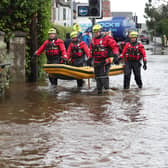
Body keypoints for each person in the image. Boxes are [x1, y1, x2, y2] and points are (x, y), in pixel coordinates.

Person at [89, 24, 119, 94]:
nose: (96, 33)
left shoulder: (107, 38)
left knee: (104, 77)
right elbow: (91, 50)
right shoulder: (93, 40)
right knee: (97, 77)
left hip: (105, 61)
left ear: (100, 31)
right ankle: (99, 92)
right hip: (96, 61)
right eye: (94, 32)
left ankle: (106, 92)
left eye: (97, 32)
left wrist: (115, 55)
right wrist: (89, 58)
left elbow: (115, 47)